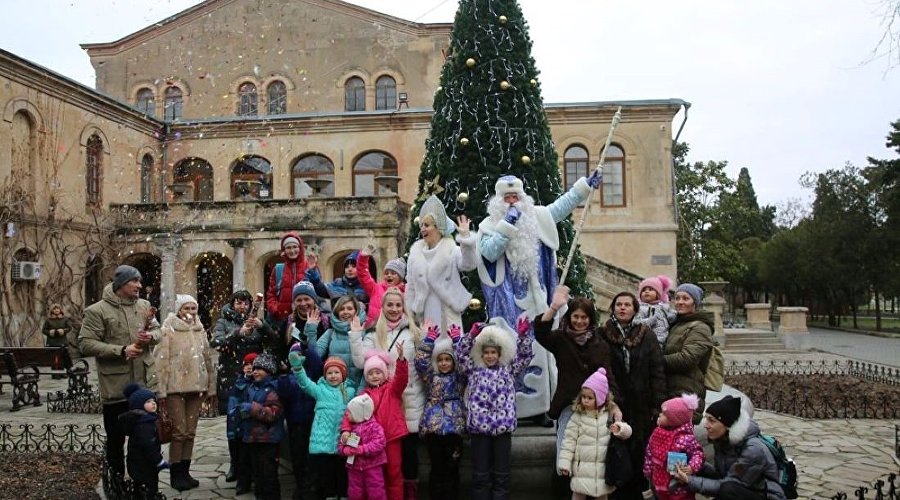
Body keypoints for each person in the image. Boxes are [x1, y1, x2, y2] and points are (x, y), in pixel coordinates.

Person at [475, 172, 601, 420]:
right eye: (507, 197)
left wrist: (584, 186)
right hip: (509, 306)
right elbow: (489, 253)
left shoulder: (537, 217)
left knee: (545, 350)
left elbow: (561, 206)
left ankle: (544, 408)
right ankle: (516, 409)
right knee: (515, 350)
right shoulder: (489, 226)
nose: (512, 201)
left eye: (516, 196)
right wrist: (507, 225)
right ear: (499, 201)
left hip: (540, 301)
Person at [535, 285, 619, 498]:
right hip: (568, 407)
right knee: (565, 458)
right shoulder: (561, 339)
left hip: (595, 410)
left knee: (592, 460)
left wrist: (615, 404)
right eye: (575, 317)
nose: (579, 321)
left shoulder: (600, 344)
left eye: (584, 317)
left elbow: (609, 376)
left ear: (591, 319)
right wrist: (554, 307)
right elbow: (541, 333)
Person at [79, 264, 160, 474]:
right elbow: (86, 343)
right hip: (117, 389)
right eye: (135, 281)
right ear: (121, 284)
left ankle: (143, 483)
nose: (139, 286)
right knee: (116, 441)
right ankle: (117, 483)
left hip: (143, 386)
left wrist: (151, 337)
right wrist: (121, 350)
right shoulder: (97, 310)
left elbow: (158, 330)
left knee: (145, 439)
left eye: (139, 281)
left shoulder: (144, 306)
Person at [349, 287, 425, 498]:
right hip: (384, 404)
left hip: (411, 400)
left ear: (404, 307)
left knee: (409, 457)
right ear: (382, 307)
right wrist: (355, 335)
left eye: (398, 305)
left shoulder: (414, 332)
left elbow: (424, 364)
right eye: (389, 305)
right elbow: (358, 361)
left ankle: (408, 495)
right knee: (384, 460)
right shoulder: (373, 333)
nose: (394, 309)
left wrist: (428, 338)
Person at [456, 318, 535, 500]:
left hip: (502, 430)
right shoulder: (473, 369)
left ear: (500, 354)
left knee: (502, 475)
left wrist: (523, 336)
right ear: (481, 354)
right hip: (480, 430)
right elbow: (460, 355)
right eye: (487, 352)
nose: (490, 356)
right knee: (480, 475)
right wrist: (470, 336)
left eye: (493, 352)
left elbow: (524, 357)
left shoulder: (508, 370)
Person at [598, 291, 667, 500]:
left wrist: (658, 404)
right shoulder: (603, 334)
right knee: (616, 451)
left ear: (635, 309)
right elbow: (601, 368)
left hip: (641, 404)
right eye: (618, 304)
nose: (622, 308)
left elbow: (657, 371)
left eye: (627, 304)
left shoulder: (646, 335)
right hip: (614, 402)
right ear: (612, 308)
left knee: (639, 451)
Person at [153, 294, 217, 491]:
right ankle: (176, 472)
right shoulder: (168, 330)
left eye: (193, 309)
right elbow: (161, 362)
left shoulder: (200, 330)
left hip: (197, 388)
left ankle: (185, 471)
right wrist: (161, 391)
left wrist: (211, 387)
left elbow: (207, 359)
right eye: (186, 308)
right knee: (179, 432)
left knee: (190, 432)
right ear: (179, 310)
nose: (190, 312)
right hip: (175, 389)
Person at [674, 395, 787, 500]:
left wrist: (689, 480)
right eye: (706, 419)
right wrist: (695, 464)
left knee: (727, 489)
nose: (706, 425)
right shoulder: (723, 440)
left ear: (728, 425)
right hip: (743, 489)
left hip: (767, 496)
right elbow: (721, 475)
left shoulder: (753, 450)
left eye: (711, 420)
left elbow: (730, 483)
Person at [340, 347, 408, 500]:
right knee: (377, 476)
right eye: (370, 373)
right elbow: (349, 414)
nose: (375, 376)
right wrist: (345, 429)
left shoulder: (392, 389)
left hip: (391, 437)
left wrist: (401, 360)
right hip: (372, 440)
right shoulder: (364, 395)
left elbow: (402, 379)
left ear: (384, 374)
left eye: (378, 372)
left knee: (394, 472)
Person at [557, 368, 633, 500]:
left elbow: (627, 432)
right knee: (578, 493)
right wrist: (564, 463)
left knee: (602, 495)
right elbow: (568, 441)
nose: (585, 400)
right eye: (583, 397)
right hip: (581, 469)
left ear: (601, 398)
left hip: (602, 469)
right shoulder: (577, 417)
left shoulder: (608, 415)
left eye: (590, 398)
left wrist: (619, 428)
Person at [405, 195, 477, 333]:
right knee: (427, 349)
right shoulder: (415, 254)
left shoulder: (451, 250)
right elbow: (411, 287)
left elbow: (469, 264)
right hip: (425, 315)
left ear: (438, 227)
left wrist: (466, 239)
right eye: (421, 226)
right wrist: (411, 315)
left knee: (449, 351)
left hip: (448, 314)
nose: (422, 229)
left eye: (427, 225)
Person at [414, 324, 466, 500]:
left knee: (452, 468)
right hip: (433, 429)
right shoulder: (431, 377)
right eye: (441, 360)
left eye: (448, 360)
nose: (444, 363)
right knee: (437, 468)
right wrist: (428, 341)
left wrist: (458, 342)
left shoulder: (459, 377)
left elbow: (465, 361)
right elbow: (420, 362)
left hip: (453, 429)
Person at [212, 290, 278, 413]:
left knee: (254, 412)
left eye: (246, 304)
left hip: (254, 374)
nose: (243, 307)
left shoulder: (256, 320)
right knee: (232, 414)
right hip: (231, 374)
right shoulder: (223, 321)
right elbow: (216, 343)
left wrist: (263, 327)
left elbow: (274, 342)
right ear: (232, 304)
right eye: (239, 303)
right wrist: (238, 333)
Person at [276, 342, 322, 500]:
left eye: (301, 355)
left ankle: (311, 488)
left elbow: (317, 363)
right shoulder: (289, 377)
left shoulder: (313, 374)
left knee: (312, 459)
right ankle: (300, 486)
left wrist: (308, 349)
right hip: (295, 423)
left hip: (312, 422)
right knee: (298, 458)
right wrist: (282, 375)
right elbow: (283, 393)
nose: (299, 358)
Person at [664, 284, 714, 424]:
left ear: (695, 303)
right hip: (672, 390)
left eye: (686, 298)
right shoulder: (677, 323)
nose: (680, 302)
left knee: (681, 442)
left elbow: (687, 359)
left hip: (686, 392)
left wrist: (656, 361)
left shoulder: (700, 327)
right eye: (677, 298)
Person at [237, 353, 285, 500]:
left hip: (268, 439)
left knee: (268, 474)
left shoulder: (273, 389)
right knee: (257, 474)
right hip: (252, 438)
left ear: (269, 371)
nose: (255, 371)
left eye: (260, 369)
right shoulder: (251, 388)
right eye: (255, 368)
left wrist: (252, 408)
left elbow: (272, 414)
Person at [643, 394, 705, 500]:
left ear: (674, 420)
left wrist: (691, 467)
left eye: (664, 414)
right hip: (657, 481)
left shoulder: (686, 439)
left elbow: (698, 454)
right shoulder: (657, 433)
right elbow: (649, 452)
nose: (659, 415)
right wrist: (648, 470)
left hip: (678, 487)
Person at [119, 383, 169, 497]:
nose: (153, 403)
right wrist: (159, 461)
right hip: (143, 464)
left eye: (153, 400)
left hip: (138, 463)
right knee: (148, 488)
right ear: (139, 406)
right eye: (148, 402)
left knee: (141, 488)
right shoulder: (144, 425)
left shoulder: (145, 420)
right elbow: (149, 445)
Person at [305, 294, 366, 386]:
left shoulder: (364, 333)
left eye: (349, 309)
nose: (345, 312)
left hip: (358, 390)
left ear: (356, 311)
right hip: (335, 390)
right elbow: (315, 356)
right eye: (341, 309)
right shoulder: (330, 333)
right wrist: (311, 331)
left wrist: (360, 392)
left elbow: (368, 367)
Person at [339, 394, 389, 500]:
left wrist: (362, 449)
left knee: (376, 490)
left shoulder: (375, 427)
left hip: (373, 466)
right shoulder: (349, 429)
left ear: (359, 414)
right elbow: (341, 445)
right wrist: (345, 450)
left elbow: (380, 443)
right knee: (354, 491)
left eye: (350, 412)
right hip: (354, 467)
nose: (347, 414)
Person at [267, 232, 314, 332]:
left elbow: (317, 292)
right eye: (288, 248)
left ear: (300, 248)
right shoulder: (278, 269)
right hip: (282, 319)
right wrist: (276, 310)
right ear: (284, 250)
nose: (292, 251)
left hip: (306, 318)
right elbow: (271, 294)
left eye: (294, 247)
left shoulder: (309, 267)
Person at [226, 353, 257, 494]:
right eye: (246, 365)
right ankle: (242, 480)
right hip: (240, 423)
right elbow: (232, 407)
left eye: (252, 365)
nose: (249, 368)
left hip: (255, 423)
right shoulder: (238, 384)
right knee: (241, 455)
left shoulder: (259, 384)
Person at [357, 244, 407, 327]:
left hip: (395, 331)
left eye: (393, 273)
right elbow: (363, 275)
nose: (389, 275)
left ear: (400, 277)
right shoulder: (376, 288)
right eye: (386, 273)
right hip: (374, 329)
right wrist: (363, 258)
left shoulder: (405, 292)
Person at [636, 275, 676, 347]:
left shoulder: (664, 307)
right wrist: (649, 321)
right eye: (644, 290)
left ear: (658, 294)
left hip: (662, 341)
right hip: (644, 342)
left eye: (650, 289)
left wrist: (673, 316)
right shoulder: (640, 308)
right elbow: (636, 323)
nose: (647, 292)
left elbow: (672, 316)